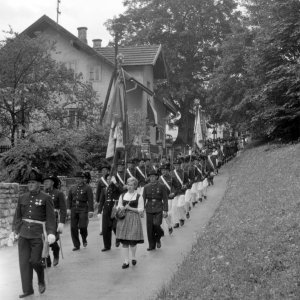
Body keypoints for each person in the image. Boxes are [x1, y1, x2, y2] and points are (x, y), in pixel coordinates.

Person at [12, 168, 56, 298]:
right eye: (29, 182)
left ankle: (41, 279)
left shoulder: (46, 198)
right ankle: (28, 289)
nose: (30, 185)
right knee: (24, 263)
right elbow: (17, 216)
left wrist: (51, 232)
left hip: (38, 234)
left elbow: (50, 217)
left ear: (39, 184)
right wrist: (15, 231)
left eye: (33, 182)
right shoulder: (22, 197)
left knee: (35, 261)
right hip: (24, 234)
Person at [116, 177, 144, 269]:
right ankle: (126, 261)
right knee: (124, 241)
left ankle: (133, 257)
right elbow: (118, 206)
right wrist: (121, 208)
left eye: (131, 185)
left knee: (132, 241)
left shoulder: (139, 196)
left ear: (135, 186)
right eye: (128, 184)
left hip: (134, 219)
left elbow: (141, 210)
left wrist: (130, 208)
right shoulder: (122, 195)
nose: (129, 187)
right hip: (123, 219)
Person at [43, 174, 67, 267]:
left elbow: (63, 209)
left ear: (52, 183)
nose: (45, 183)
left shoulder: (58, 193)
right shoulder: (42, 193)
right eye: (44, 182)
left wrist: (62, 222)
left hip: (54, 219)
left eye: (47, 181)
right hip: (43, 219)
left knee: (51, 238)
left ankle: (56, 252)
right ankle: (47, 259)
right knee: (44, 239)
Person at [67, 171, 94, 251]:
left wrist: (91, 211)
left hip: (83, 208)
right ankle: (76, 245)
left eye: (80, 179)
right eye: (77, 179)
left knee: (83, 226)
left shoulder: (87, 187)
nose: (78, 180)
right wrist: (68, 209)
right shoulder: (72, 188)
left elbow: (90, 200)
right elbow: (69, 199)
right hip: (74, 208)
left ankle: (84, 238)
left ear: (83, 179)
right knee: (73, 227)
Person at [143, 170, 168, 250]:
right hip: (149, 208)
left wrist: (165, 210)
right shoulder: (146, 187)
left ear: (157, 177)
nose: (152, 178)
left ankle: (158, 238)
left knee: (157, 225)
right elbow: (143, 199)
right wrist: (141, 209)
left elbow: (165, 198)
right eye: (150, 177)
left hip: (158, 207)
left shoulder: (162, 186)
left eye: (153, 176)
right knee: (149, 228)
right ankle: (151, 245)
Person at [98, 174, 122, 251]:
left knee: (115, 226)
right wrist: (99, 211)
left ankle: (118, 238)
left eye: (110, 179)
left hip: (114, 208)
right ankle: (107, 246)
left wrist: (115, 183)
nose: (109, 181)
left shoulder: (116, 187)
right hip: (106, 209)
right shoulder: (104, 189)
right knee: (105, 228)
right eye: (107, 179)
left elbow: (121, 191)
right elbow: (102, 201)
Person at [158, 164, 175, 235]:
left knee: (166, 214)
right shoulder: (159, 178)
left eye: (165, 170)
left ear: (168, 171)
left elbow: (176, 187)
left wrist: (173, 193)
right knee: (161, 214)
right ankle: (162, 230)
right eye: (162, 170)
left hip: (169, 198)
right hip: (161, 198)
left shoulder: (172, 178)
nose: (164, 172)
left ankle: (169, 226)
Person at [96, 164, 111, 235]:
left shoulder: (111, 179)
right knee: (100, 215)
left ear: (108, 171)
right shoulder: (100, 180)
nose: (103, 172)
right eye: (102, 171)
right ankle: (102, 229)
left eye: (105, 170)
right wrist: (97, 201)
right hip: (102, 199)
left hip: (110, 199)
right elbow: (98, 191)